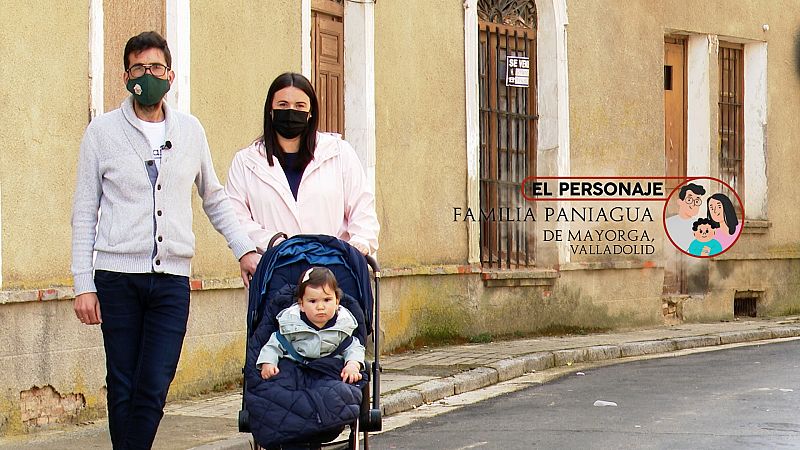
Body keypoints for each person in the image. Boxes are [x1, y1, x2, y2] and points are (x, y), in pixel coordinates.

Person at [71, 31, 261, 449]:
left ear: (170, 75)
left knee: (154, 383)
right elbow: (84, 211)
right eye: (139, 68)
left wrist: (243, 248)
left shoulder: (190, 131)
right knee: (123, 383)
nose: (148, 75)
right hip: (117, 277)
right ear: (126, 76)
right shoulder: (101, 133)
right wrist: (83, 284)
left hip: (171, 280)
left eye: (156, 67)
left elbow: (214, 196)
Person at [225, 72, 379, 255]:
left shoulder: (339, 153)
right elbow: (236, 218)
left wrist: (359, 243)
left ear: (310, 112)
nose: (291, 111)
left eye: (300, 105)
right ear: (270, 110)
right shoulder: (246, 162)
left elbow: (362, 207)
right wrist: (274, 242)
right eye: (283, 104)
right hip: (275, 269)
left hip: (332, 270)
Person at [257, 267, 365, 384]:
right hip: (295, 370)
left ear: (337, 302)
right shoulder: (290, 325)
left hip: (330, 373)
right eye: (313, 301)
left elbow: (354, 347)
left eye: (327, 300)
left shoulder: (343, 326)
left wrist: (353, 365)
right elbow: (274, 345)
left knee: (342, 392)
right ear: (301, 305)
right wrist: (268, 362)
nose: (320, 307)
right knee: (277, 389)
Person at [665, 183, 706, 251]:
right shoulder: (668, 223)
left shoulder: (701, 227)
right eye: (689, 200)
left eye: (697, 201)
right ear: (680, 202)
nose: (693, 204)